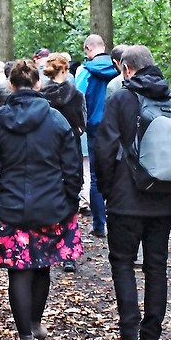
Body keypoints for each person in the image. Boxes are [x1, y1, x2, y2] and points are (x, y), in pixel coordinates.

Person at [0, 59, 84, 340]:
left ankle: (25, 337)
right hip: (51, 205)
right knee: (42, 265)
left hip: (10, 206)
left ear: (11, 86)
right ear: (38, 85)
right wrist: (70, 202)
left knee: (18, 270)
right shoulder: (57, 120)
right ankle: (35, 323)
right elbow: (73, 168)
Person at [93, 45, 171, 340]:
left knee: (122, 263)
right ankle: (150, 337)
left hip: (126, 198)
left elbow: (104, 149)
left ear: (126, 69)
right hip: (164, 197)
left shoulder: (121, 99)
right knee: (156, 266)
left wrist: (107, 190)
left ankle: (128, 336)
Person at [41, 53, 87, 273]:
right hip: (71, 153)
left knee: (48, 197)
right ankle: (68, 252)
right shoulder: (76, 95)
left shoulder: (42, 95)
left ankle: (47, 244)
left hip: (47, 154)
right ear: (65, 70)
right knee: (71, 200)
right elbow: (82, 123)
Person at [75, 34, 120, 237]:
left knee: (94, 177)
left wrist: (79, 123)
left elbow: (77, 97)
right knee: (118, 173)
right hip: (118, 127)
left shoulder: (86, 71)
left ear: (88, 49)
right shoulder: (119, 68)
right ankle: (118, 221)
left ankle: (100, 225)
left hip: (94, 127)